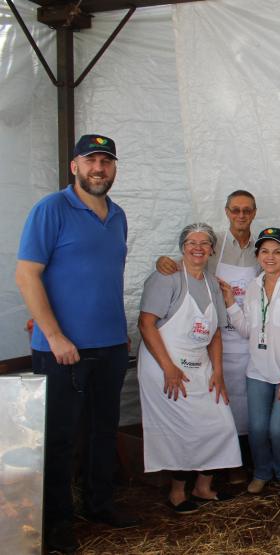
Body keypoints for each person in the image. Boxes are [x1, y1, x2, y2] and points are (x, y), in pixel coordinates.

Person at [16, 134, 138, 552]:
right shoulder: (51, 209)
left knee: (103, 429)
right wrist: (53, 335)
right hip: (61, 348)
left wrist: (118, 332)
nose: (98, 169)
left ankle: (99, 503)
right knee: (60, 437)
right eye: (91, 161)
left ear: (115, 168)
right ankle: (55, 522)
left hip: (109, 346)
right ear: (75, 166)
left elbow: (105, 278)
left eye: (106, 161)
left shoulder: (117, 215)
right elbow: (27, 274)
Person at [137, 223, 241, 514]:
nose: (198, 247)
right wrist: (168, 367)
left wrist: (217, 373)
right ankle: (177, 493)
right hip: (164, 364)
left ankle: (203, 487)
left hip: (200, 363)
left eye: (204, 243)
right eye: (191, 242)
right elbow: (146, 324)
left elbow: (216, 333)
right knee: (181, 429)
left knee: (220, 422)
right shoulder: (166, 276)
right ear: (182, 246)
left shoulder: (211, 283)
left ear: (211, 249)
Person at [157, 190, 258, 483]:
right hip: (215, 336)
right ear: (226, 212)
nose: (241, 215)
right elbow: (188, 264)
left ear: (254, 212)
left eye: (247, 210)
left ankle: (238, 459)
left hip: (248, 333)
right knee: (220, 400)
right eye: (235, 210)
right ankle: (218, 465)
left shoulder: (261, 248)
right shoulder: (214, 247)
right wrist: (163, 262)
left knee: (246, 400)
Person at [223, 227, 280, 494]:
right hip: (258, 370)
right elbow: (247, 330)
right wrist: (231, 303)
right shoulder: (253, 287)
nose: (270, 257)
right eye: (265, 251)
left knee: (278, 429)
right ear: (258, 256)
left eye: (277, 251)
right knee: (256, 427)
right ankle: (262, 472)